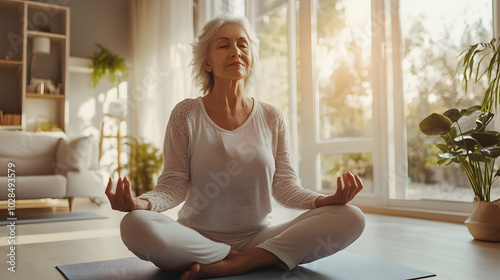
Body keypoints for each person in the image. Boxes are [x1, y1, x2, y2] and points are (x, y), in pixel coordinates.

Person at [105, 14, 365, 280]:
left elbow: (285, 187)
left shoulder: (271, 116)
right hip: (196, 237)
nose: (236, 52)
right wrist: (142, 203)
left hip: (259, 236)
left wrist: (324, 201)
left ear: (251, 57)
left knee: (351, 217)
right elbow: (174, 184)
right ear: (206, 61)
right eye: (223, 45)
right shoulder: (186, 114)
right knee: (134, 224)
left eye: (243, 44)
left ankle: (240, 262)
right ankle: (245, 257)